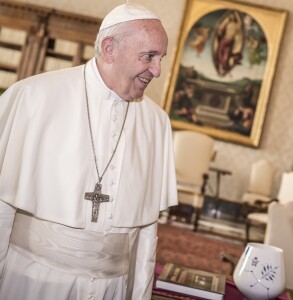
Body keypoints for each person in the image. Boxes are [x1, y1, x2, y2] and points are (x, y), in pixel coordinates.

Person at [0, 3, 178, 300]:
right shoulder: (33, 97)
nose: (157, 70)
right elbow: (2, 207)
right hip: (33, 281)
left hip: (112, 289)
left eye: (161, 58)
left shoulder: (156, 122)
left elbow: (146, 233)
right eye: (148, 56)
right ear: (109, 49)